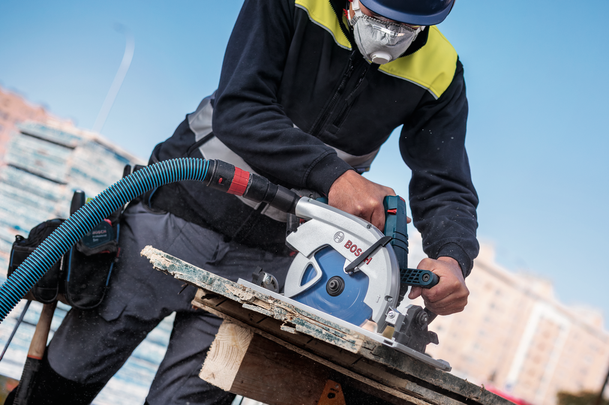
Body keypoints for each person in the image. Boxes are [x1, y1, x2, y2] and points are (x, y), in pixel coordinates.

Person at [16, 0, 479, 403]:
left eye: (406, 25)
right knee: (65, 379)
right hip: (176, 214)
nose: (389, 33)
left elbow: (445, 184)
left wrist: (452, 255)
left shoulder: (440, 70)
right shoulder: (294, 0)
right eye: (376, 14)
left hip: (267, 269)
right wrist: (334, 176)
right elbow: (242, 107)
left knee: (191, 399)